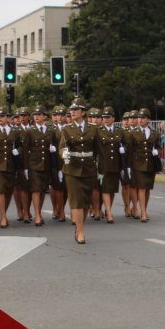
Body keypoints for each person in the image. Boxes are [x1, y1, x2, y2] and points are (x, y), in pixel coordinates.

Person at [60, 97, 100, 243]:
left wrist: (100, 169)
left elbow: (97, 150)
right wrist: (65, 156)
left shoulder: (93, 129)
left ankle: (78, 226)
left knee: (85, 202)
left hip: (89, 168)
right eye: (71, 110)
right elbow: (62, 147)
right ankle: (81, 231)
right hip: (72, 168)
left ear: (83, 112)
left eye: (76, 109)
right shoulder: (66, 129)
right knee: (76, 201)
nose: (72, 112)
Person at [126, 108, 162, 222]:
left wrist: (157, 150)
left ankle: (144, 210)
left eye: (143, 118)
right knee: (141, 188)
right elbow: (129, 149)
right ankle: (143, 213)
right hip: (138, 164)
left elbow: (158, 145)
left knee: (147, 189)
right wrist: (128, 166)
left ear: (148, 120)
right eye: (139, 118)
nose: (140, 120)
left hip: (151, 164)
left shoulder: (154, 133)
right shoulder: (133, 133)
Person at [94, 106, 124, 224]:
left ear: (113, 118)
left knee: (112, 189)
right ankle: (109, 213)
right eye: (104, 117)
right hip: (103, 163)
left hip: (116, 163)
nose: (105, 119)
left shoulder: (119, 131)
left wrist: (123, 149)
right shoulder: (99, 131)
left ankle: (108, 209)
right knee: (105, 189)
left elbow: (123, 143)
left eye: (108, 117)